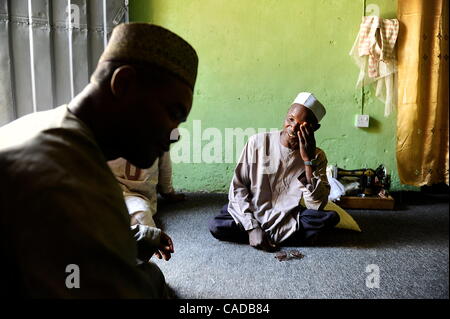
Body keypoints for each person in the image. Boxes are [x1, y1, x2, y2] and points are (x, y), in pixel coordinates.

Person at [0, 23, 198, 297]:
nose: (173, 134)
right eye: (173, 112)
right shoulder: (70, 182)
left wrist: (144, 236)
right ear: (124, 84)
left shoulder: (45, 126)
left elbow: (67, 241)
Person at [209, 92, 340, 252]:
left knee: (329, 218)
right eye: (290, 120)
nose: (293, 128)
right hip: (255, 208)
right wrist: (252, 227)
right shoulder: (257, 142)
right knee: (217, 224)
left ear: (314, 128)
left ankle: (263, 236)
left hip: (289, 215)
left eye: (302, 125)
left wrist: (308, 161)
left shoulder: (317, 156)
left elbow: (316, 206)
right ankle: (264, 234)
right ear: (285, 116)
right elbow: (238, 186)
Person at [108, 152, 185, 228]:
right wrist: (167, 192)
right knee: (142, 218)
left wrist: (168, 192)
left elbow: (165, 168)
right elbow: (165, 169)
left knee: (142, 217)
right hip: (110, 190)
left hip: (135, 196)